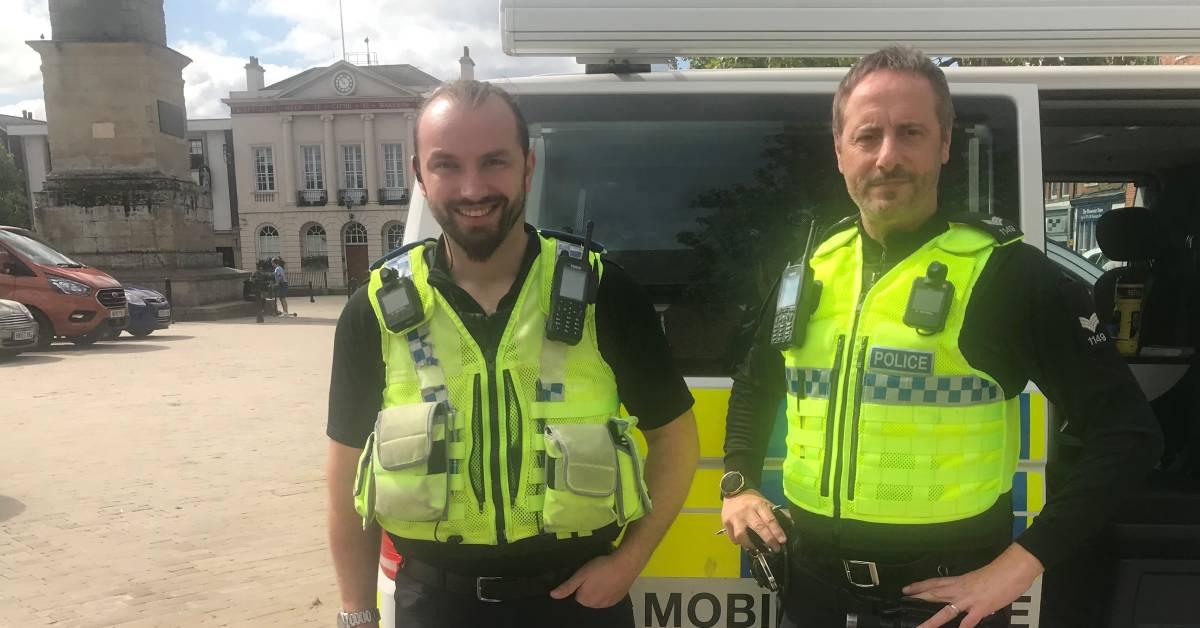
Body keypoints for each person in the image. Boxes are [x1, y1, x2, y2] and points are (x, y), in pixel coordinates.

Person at [718, 46, 1163, 628]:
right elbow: (757, 382)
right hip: (813, 588)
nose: (887, 157)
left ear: (945, 144)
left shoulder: (1010, 275)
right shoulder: (811, 269)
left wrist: (1020, 565)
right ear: (839, 150)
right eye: (867, 135)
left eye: (910, 133)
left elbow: (1128, 437)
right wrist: (738, 481)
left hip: (944, 600)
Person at [326, 80, 700, 628]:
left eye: (494, 162)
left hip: (577, 605)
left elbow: (676, 438)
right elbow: (342, 481)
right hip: (434, 606)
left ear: (527, 167)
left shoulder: (602, 292)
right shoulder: (375, 310)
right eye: (447, 165)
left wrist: (629, 561)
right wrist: (356, 616)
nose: (473, 188)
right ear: (419, 175)